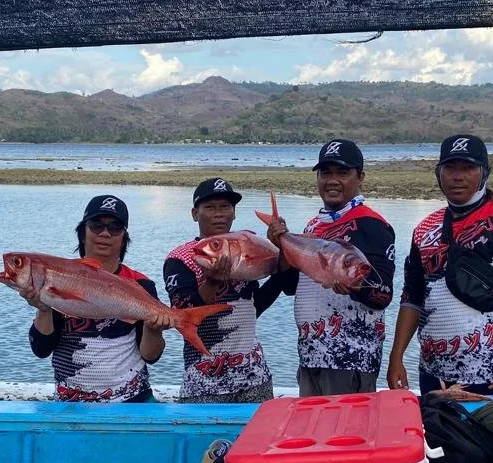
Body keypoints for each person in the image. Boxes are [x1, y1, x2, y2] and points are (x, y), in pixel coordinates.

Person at [386, 133, 493, 396]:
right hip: (433, 374)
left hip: (492, 372)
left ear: (485, 172)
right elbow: (412, 299)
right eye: (450, 168)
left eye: (468, 167)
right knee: (437, 437)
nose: (458, 176)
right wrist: (396, 357)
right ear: (438, 173)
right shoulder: (424, 229)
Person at [265, 139, 396, 396]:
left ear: (361, 177)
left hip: (350, 359)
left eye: (343, 172)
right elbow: (292, 287)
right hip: (311, 356)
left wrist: (355, 287)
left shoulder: (371, 224)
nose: (332, 180)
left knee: (344, 435)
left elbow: (383, 294)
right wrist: (282, 244)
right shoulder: (314, 226)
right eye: (326, 173)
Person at [20, 195, 165, 402]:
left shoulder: (141, 284)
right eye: (96, 225)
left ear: (124, 238)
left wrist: (154, 328)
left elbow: (151, 356)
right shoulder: (58, 278)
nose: (105, 233)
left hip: (133, 401)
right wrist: (44, 309)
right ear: (82, 233)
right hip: (70, 405)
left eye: (115, 228)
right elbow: (41, 349)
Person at [164, 177, 281, 403]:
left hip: (255, 378)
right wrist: (213, 283)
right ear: (194, 214)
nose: (218, 214)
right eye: (209, 207)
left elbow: (253, 305)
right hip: (204, 383)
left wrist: (283, 258)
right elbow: (183, 315)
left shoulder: (246, 245)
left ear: (234, 213)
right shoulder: (181, 258)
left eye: (225, 207)